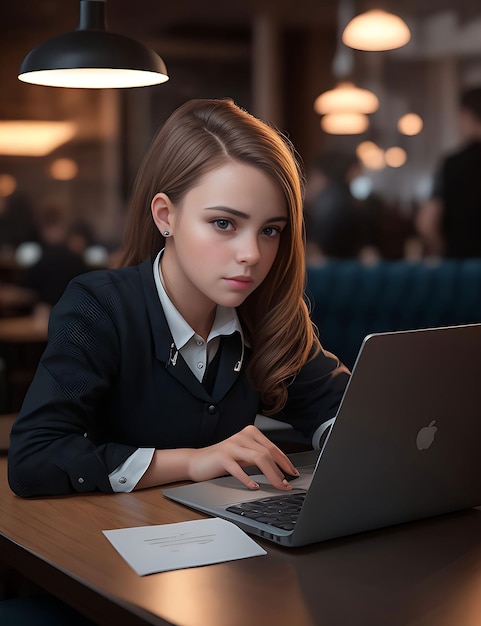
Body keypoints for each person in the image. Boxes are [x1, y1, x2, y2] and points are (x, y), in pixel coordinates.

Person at [8, 98, 350, 498]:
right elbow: (33, 460)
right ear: (165, 216)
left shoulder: (267, 312)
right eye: (224, 223)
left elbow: (343, 412)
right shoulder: (99, 308)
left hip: (235, 541)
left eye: (270, 230)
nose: (252, 255)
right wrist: (191, 461)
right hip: (113, 544)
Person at [416, 86, 481, 258]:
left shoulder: (453, 164)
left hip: (464, 267)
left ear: (466, 115)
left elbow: (426, 223)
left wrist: (449, 250)